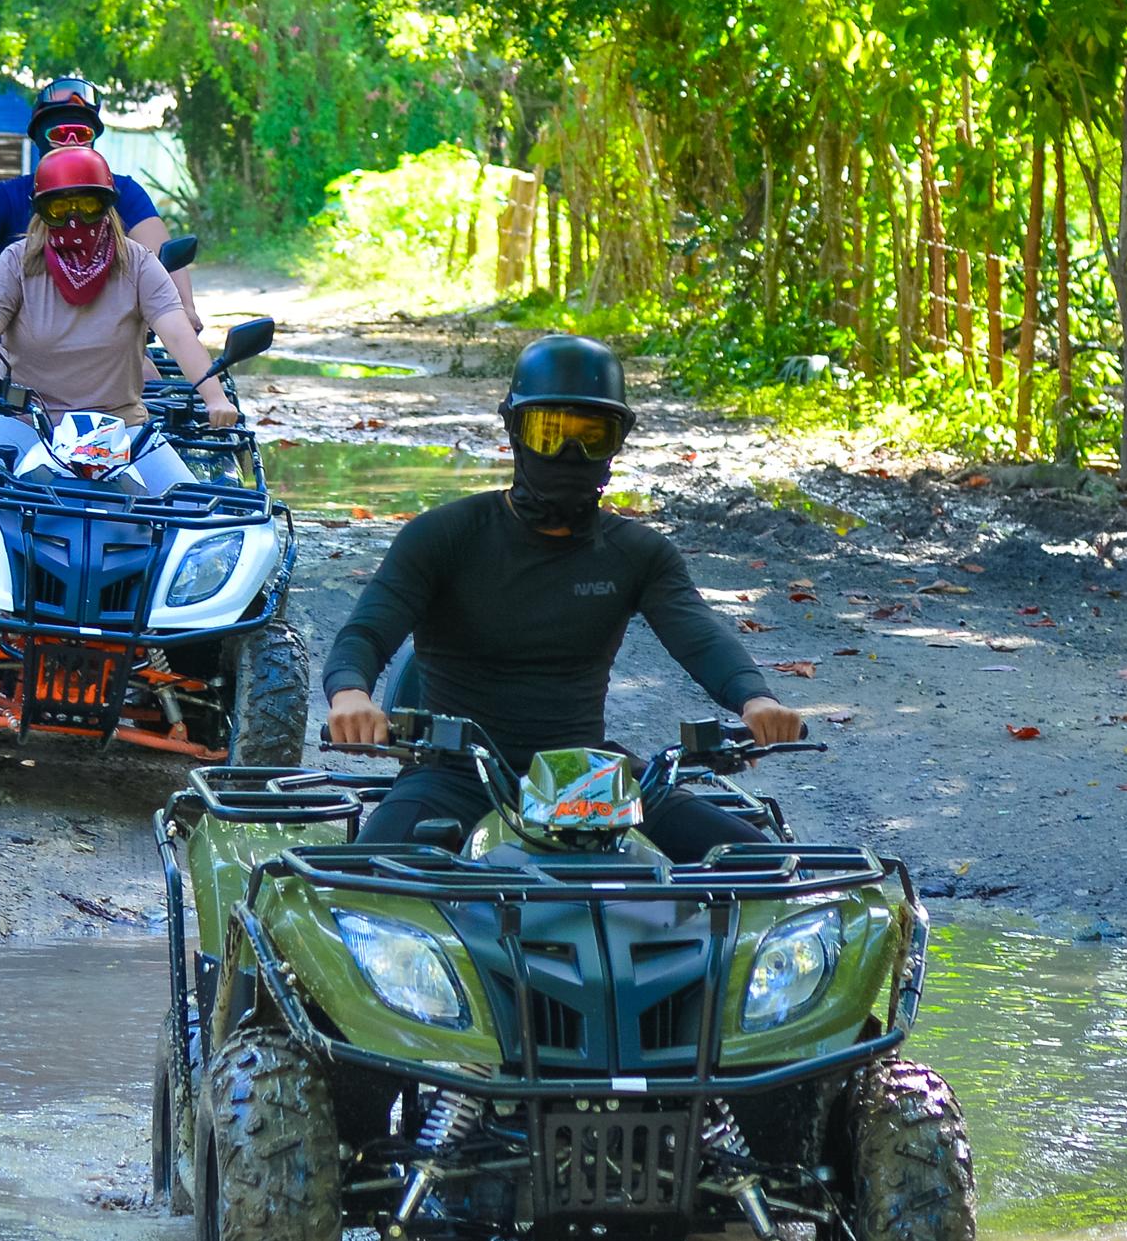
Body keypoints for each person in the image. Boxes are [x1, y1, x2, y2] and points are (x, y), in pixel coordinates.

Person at [320, 333, 802, 859]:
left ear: (618, 442)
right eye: (550, 433)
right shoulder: (445, 535)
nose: (570, 453)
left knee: (768, 870)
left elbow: (700, 635)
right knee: (365, 887)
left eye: (591, 435)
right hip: (454, 774)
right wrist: (350, 694)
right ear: (514, 432)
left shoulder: (638, 553)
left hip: (586, 778)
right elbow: (366, 630)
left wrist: (756, 699)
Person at [0, 148, 239, 474]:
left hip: (121, 425)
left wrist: (214, 398)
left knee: (191, 503)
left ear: (107, 207)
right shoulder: (18, 260)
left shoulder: (139, 263)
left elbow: (178, 334)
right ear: (41, 211)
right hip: (25, 419)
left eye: (88, 205)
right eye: (59, 207)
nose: (74, 219)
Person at [0, 74, 199, 331]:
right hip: (20, 338)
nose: (71, 143)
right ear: (40, 137)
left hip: (112, 337)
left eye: (81, 133)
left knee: (145, 372)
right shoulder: (5, 196)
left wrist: (185, 306)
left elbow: (162, 255)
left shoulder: (123, 193)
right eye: (61, 133)